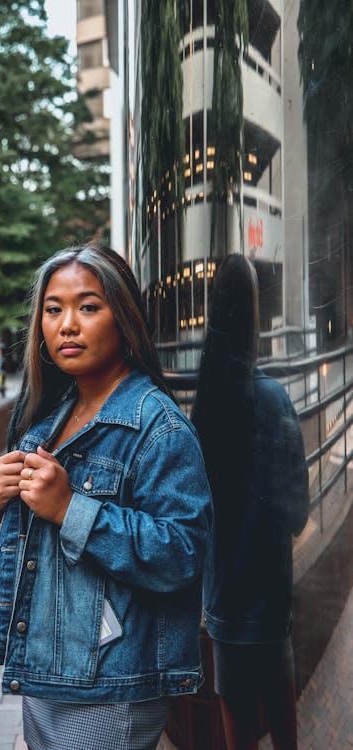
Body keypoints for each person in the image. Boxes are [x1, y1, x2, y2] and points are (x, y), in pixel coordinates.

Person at [0, 244, 213, 750]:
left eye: (88, 306)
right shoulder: (49, 422)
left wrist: (70, 509)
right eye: (53, 308)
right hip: (48, 674)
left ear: (123, 316)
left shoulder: (158, 427)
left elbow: (182, 554)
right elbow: (35, 553)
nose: (67, 324)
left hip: (111, 687)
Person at [191, 254, 310, 750]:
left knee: (235, 721)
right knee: (284, 720)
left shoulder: (204, 405)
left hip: (224, 600)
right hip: (271, 596)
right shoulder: (275, 400)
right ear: (255, 317)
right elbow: (298, 510)